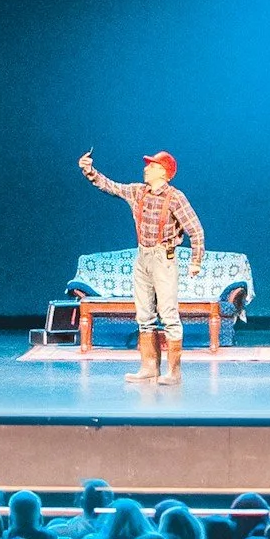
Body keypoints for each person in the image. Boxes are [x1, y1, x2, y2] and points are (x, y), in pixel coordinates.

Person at [79, 148, 206, 386]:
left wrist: (196, 261)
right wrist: (89, 171)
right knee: (144, 315)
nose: (146, 168)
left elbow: (195, 230)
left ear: (163, 172)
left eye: (152, 166)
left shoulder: (175, 197)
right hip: (143, 257)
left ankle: (174, 372)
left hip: (164, 259)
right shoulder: (138, 192)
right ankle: (149, 367)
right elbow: (111, 186)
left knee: (168, 314)